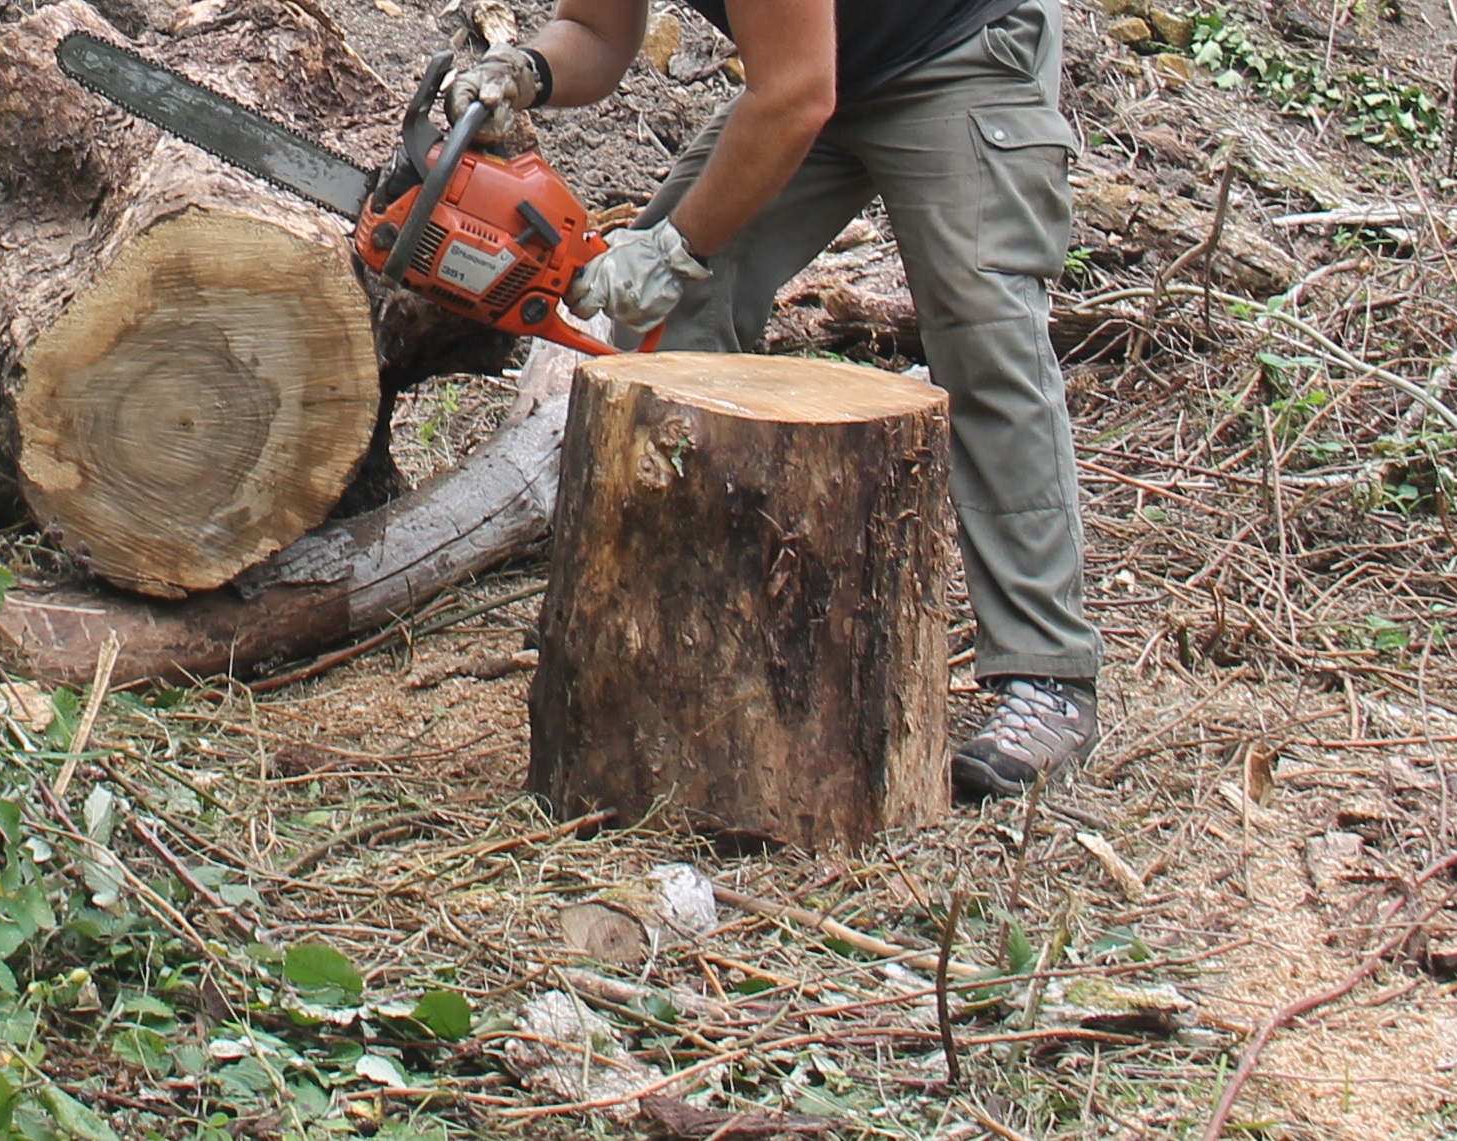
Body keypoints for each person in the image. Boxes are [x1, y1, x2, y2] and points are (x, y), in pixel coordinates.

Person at [448, 0, 1103, 797]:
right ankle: (686, 610)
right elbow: (596, 32)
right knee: (678, 312)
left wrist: (675, 249)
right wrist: (526, 70)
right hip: (817, 67)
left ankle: (1047, 673)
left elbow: (795, 96)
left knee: (981, 333)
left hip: (956, 52)